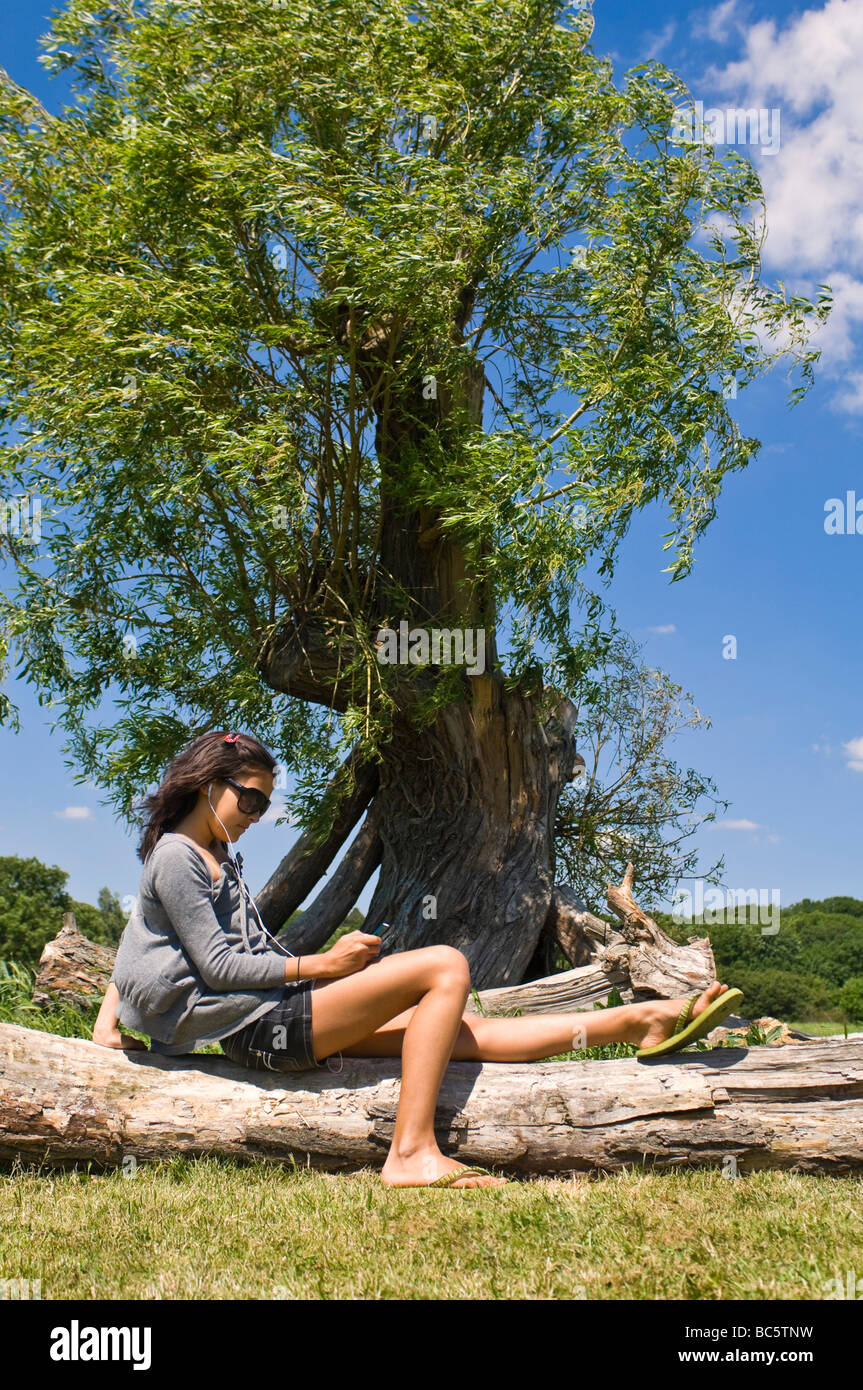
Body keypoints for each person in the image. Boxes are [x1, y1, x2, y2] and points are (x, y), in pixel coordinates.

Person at [94, 729, 739, 1190]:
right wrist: (320, 967)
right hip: (256, 1027)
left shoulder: (210, 857)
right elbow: (215, 968)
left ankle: (639, 1024)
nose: (260, 815)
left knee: (461, 1033)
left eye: (266, 803)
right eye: (252, 800)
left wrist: (110, 1015)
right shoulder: (180, 855)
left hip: (264, 1018)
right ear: (209, 786)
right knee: (445, 967)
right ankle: (410, 1152)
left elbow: (147, 938)